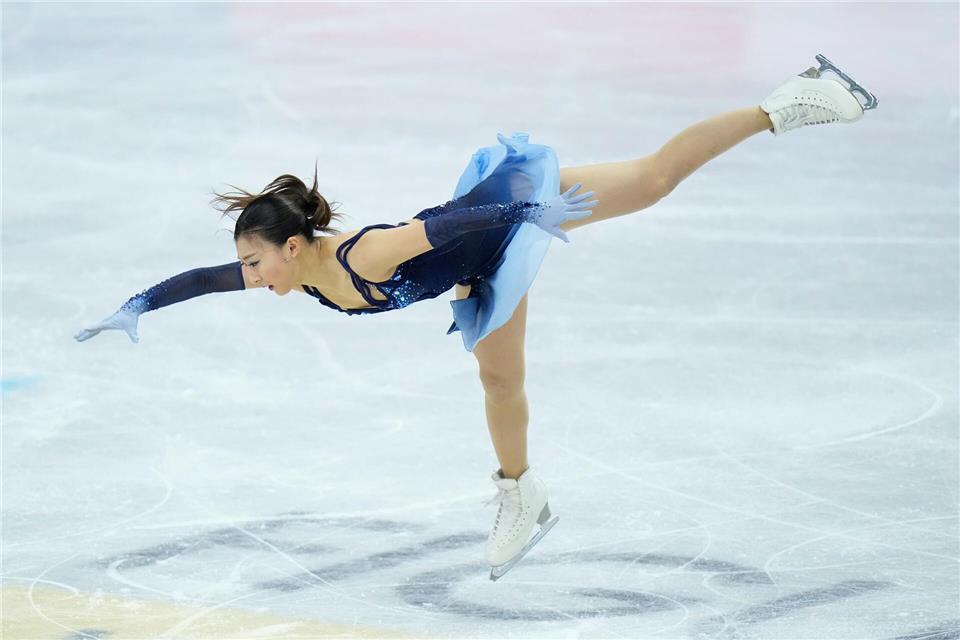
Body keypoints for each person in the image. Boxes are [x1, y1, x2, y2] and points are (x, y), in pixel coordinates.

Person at [74, 55, 876, 580]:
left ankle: (795, 100)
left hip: (507, 221)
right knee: (500, 383)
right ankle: (521, 495)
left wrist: (539, 215)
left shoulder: (369, 254)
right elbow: (207, 278)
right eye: (249, 266)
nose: (249, 277)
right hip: (473, 274)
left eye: (256, 262)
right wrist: (137, 305)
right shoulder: (295, 276)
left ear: (290, 246)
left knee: (656, 179)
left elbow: (459, 225)